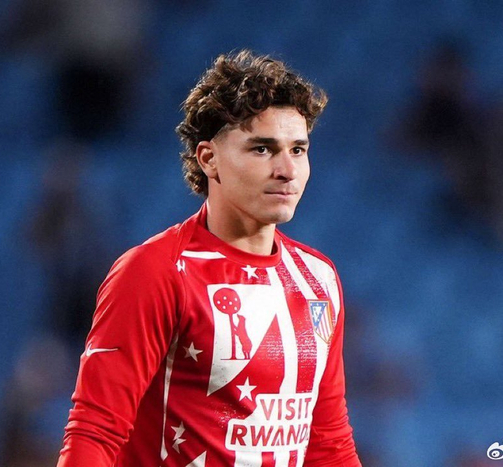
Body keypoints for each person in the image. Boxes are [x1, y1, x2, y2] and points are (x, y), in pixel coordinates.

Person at [57, 50, 362, 467]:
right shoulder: (156, 271)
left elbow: (329, 445)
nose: (287, 170)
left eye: (297, 150)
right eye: (262, 149)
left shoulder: (318, 279)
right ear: (208, 158)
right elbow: (95, 432)